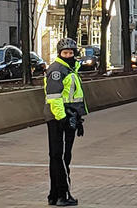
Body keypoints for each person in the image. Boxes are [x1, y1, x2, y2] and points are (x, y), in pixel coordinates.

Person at [43, 38, 88, 206]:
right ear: (59, 53)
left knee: (59, 156)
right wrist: (62, 118)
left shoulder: (70, 69)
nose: (68, 55)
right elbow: (54, 98)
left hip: (69, 116)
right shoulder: (57, 69)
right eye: (65, 53)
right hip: (58, 118)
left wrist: (78, 118)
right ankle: (63, 194)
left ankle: (54, 195)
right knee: (60, 157)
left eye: (71, 52)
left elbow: (73, 96)